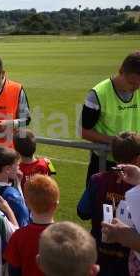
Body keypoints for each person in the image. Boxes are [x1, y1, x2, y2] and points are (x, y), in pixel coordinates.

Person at [77, 132, 140, 276]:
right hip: (129, 260)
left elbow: (82, 211)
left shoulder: (97, 180)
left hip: (100, 255)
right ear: (137, 159)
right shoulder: (138, 187)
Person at [81, 51, 140, 185]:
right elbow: (84, 131)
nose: (136, 88)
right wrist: (116, 143)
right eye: (132, 83)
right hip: (105, 163)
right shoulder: (98, 94)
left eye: (139, 84)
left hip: (137, 162)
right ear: (121, 71)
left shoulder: (138, 89)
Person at [5, 174, 60, 276]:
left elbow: (13, 271)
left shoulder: (18, 236)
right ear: (56, 205)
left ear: (27, 204)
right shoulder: (66, 236)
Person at [0, 147, 30, 227]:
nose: (19, 168)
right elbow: (24, 213)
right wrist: (18, 185)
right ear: (8, 169)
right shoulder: (11, 194)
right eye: (17, 165)